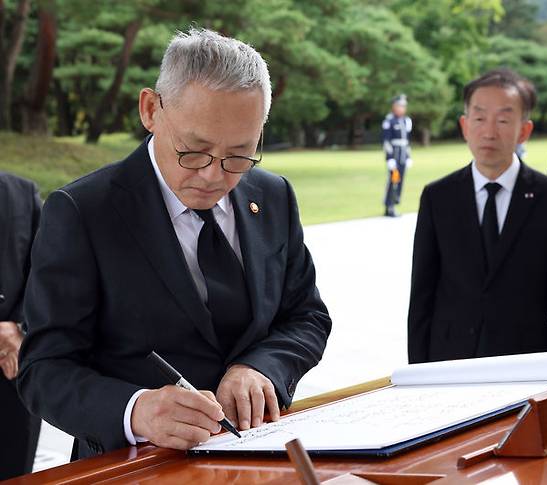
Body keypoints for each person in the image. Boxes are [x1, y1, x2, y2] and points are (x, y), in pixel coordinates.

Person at [17, 28, 331, 460]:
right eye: (194, 150)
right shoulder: (82, 211)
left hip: (261, 456)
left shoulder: (272, 195)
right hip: (136, 465)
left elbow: (306, 316)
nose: (215, 177)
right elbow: (43, 370)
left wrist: (261, 367)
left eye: (239, 154)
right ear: (151, 109)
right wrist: (137, 410)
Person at [408, 69, 547, 364]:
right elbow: (422, 296)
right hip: (449, 359)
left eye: (503, 120)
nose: (489, 131)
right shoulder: (437, 197)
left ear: (524, 131)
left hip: (526, 362)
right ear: (465, 126)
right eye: (479, 118)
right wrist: (418, 372)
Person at [0, 172, 41, 480]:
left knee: (15, 468)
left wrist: (13, 321)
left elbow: (43, 268)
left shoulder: (22, 191)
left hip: (12, 360)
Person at [382, 94, 412, 217]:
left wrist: (409, 156)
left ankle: (395, 202)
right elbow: (386, 141)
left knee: (401, 181)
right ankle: (389, 207)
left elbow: (407, 141)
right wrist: (389, 158)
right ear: (394, 107)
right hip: (394, 155)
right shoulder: (389, 121)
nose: (402, 108)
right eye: (400, 106)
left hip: (403, 155)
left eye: (404, 106)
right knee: (394, 180)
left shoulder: (406, 120)